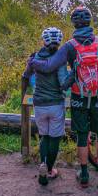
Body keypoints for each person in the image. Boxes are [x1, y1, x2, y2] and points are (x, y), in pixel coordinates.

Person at [28, 6, 98, 189]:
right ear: (90, 21)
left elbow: (50, 66)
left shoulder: (69, 46)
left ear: (74, 24)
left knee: (82, 136)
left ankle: (84, 176)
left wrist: (33, 62)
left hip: (78, 97)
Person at [21, 27, 69, 186]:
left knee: (44, 137)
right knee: (54, 139)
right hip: (56, 104)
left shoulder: (35, 58)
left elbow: (25, 76)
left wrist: (24, 94)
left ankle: (43, 164)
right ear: (59, 41)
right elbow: (64, 83)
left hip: (39, 104)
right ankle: (49, 170)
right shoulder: (60, 59)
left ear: (44, 40)